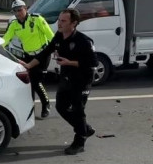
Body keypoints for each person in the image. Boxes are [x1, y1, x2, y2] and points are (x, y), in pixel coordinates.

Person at [19, 8, 96, 155]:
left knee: (78, 110)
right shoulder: (59, 36)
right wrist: (28, 65)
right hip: (67, 77)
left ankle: (80, 140)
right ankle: (85, 128)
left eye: (63, 21)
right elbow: (45, 52)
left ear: (74, 23)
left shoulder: (84, 41)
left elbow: (93, 63)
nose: (59, 23)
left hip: (82, 79)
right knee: (61, 106)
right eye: (59, 20)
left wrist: (70, 62)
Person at [3, 0, 54, 118]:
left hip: (42, 54)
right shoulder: (14, 24)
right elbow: (6, 39)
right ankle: (30, 106)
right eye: (15, 11)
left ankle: (46, 104)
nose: (17, 13)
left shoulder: (37, 19)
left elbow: (50, 35)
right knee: (28, 82)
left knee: (36, 81)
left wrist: (56, 49)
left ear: (26, 9)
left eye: (20, 10)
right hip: (27, 55)